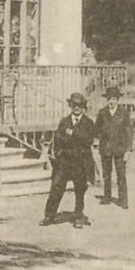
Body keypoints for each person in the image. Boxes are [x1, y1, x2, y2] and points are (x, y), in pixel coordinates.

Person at [40, 92, 96, 229]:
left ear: (83, 107)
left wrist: (73, 134)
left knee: (80, 189)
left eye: (79, 106)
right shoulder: (64, 122)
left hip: (81, 161)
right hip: (65, 161)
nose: (76, 108)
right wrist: (60, 153)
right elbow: (59, 139)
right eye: (74, 105)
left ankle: (78, 216)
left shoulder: (88, 122)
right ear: (70, 106)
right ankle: (50, 215)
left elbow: (89, 140)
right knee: (56, 187)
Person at [94, 86, 133, 209]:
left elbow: (128, 132)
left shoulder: (124, 113)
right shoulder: (102, 112)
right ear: (107, 100)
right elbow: (97, 129)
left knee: (121, 174)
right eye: (109, 99)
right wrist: (96, 141)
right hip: (105, 149)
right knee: (106, 174)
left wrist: (128, 150)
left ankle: (123, 200)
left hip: (120, 149)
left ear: (118, 100)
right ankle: (107, 197)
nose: (112, 102)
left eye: (114, 99)